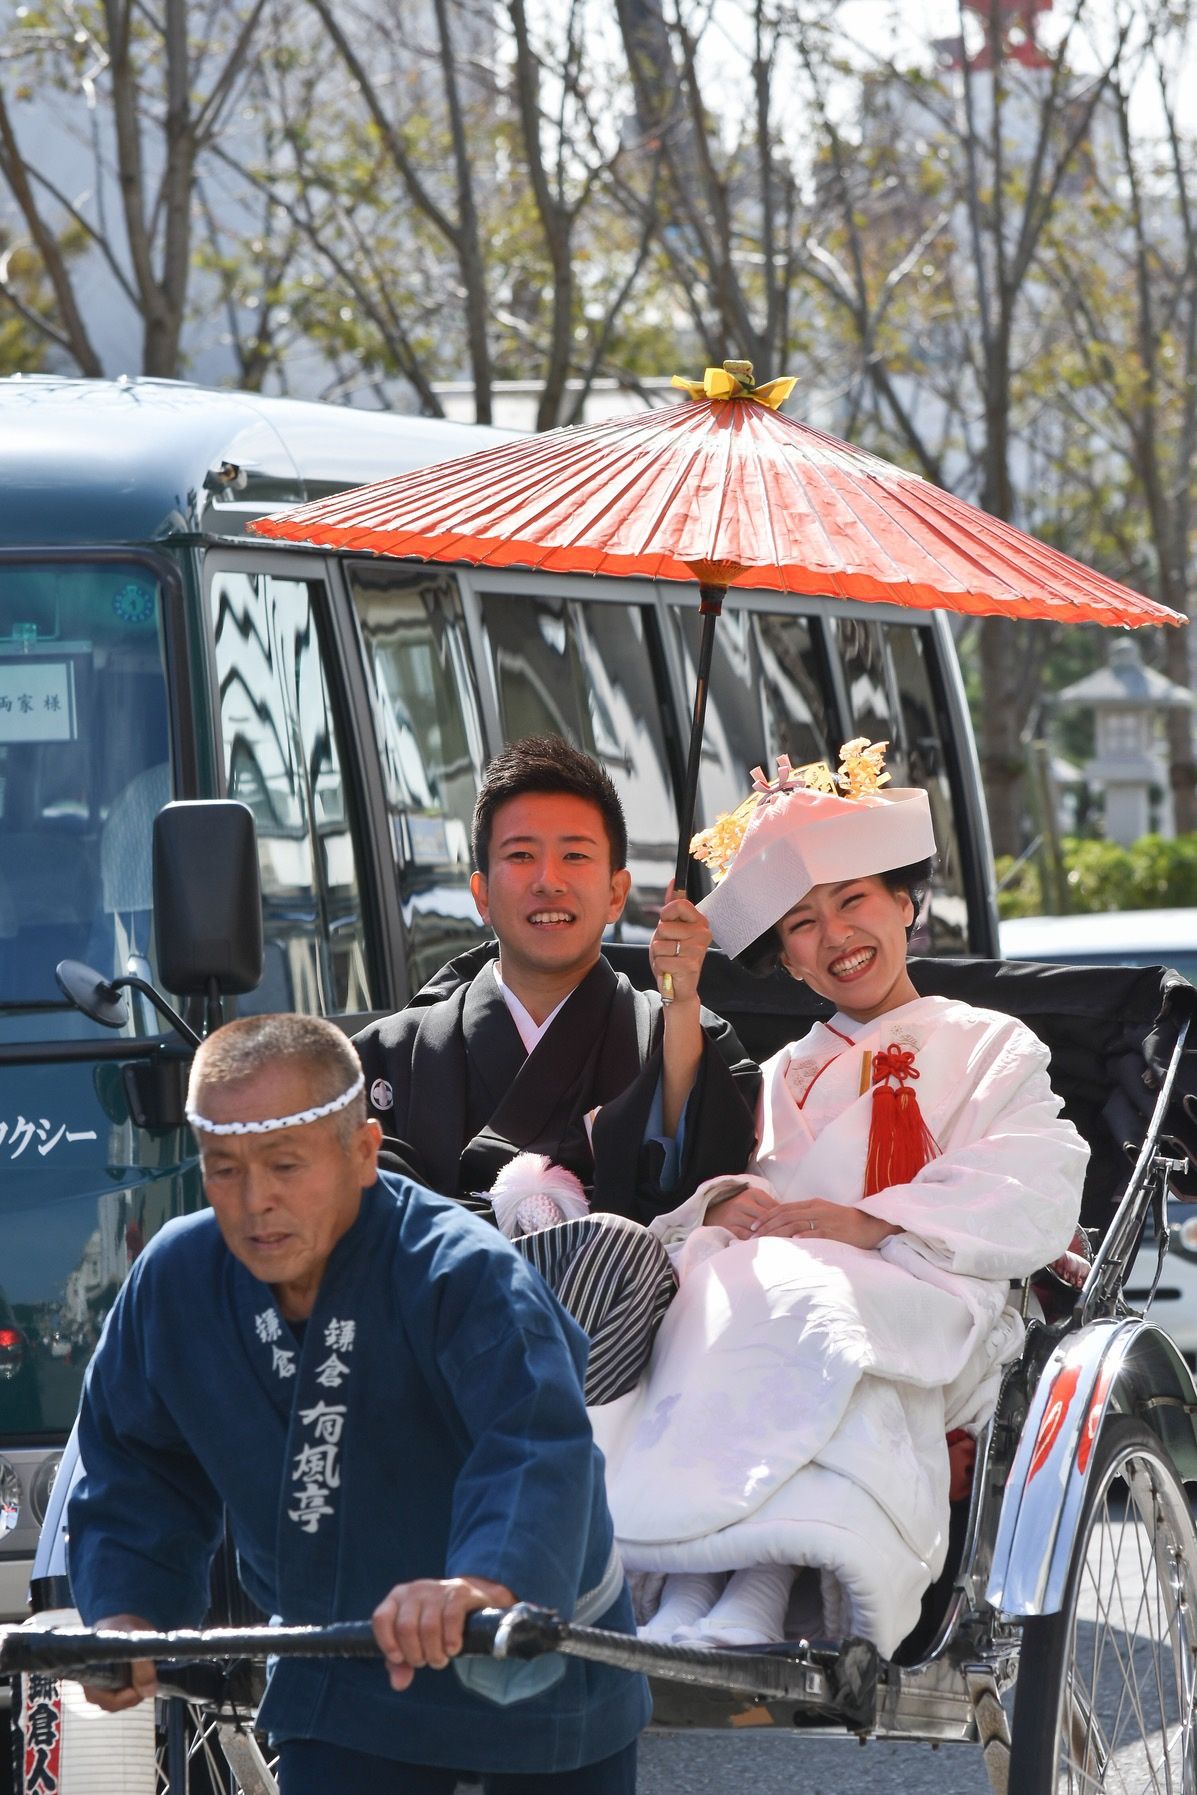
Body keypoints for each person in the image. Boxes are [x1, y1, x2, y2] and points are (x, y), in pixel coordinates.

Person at [591, 743, 1089, 1658]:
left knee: (812, 1303)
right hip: (795, 1287)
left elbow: (1036, 1173)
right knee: (719, 1288)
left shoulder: (991, 1043)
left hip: (932, 1291)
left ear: (904, 903)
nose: (835, 935)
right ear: (786, 958)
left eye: (853, 900)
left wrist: (875, 1220)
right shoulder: (785, 1069)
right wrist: (728, 1206)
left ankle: (758, 1584)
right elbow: (754, 1183)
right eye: (801, 923)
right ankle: (695, 1577)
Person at [68, 1013, 649, 1794]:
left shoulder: (459, 1270)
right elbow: (136, 1467)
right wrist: (126, 1613)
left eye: (285, 1164)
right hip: (337, 1674)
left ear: (363, 1151)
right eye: (223, 1169)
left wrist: (481, 1583)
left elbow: (532, 1440)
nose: (255, 1200)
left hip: (526, 1674)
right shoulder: (176, 1279)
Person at [354, 736, 760, 1402]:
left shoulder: (681, 1033)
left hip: (645, 1393)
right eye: (521, 856)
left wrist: (682, 1006)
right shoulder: (391, 1055)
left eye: (575, 855)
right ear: (481, 894)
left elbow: (703, 1193)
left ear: (616, 892)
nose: (548, 879)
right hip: (436, 1378)